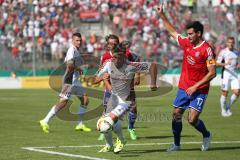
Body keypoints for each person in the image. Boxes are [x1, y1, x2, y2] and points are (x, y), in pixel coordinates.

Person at [157, 4, 216, 151]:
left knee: (192, 120)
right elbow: (172, 32)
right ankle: (176, 145)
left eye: (190, 34)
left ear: (198, 33)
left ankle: (207, 135)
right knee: (176, 115)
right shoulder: (186, 44)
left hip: (200, 89)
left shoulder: (207, 50)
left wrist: (196, 86)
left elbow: (212, 73)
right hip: (184, 87)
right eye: (187, 34)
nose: (187, 36)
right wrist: (162, 15)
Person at [95, 43, 158, 153]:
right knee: (103, 126)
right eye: (113, 56)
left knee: (107, 122)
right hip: (113, 98)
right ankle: (110, 145)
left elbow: (152, 65)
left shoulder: (131, 66)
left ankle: (120, 140)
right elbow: (95, 79)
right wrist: (102, 78)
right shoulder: (108, 64)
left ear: (124, 56)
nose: (115, 59)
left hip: (125, 101)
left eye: (118, 57)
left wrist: (153, 83)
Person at [39, 32, 91, 133]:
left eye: (80, 40)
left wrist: (80, 69)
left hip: (75, 81)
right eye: (77, 40)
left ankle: (80, 124)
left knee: (85, 100)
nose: (79, 42)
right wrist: (79, 68)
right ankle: (45, 120)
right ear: (72, 40)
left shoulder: (76, 51)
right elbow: (69, 65)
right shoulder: (71, 50)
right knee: (63, 103)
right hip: (69, 80)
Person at [97, 35, 141, 141]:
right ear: (107, 44)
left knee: (133, 108)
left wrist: (137, 76)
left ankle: (131, 128)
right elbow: (99, 75)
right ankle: (106, 129)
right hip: (110, 88)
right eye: (110, 43)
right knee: (107, 110)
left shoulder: (127, 54)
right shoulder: (105, 57)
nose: (112, 45)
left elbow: (137, 63)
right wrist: (105, 80)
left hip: (127, 88)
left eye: (115, 43)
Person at [216, 37, 240, 117]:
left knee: (237, 92)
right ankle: (223, 111)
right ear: (227, 43)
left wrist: (238, 65)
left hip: (234, 74)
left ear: (234, 43)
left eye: (232, 42)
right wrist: (225, 64)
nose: (231, 44)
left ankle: (228, 107)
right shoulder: (223, 52)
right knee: (225, 93)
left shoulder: (236, 52)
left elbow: (237, 62)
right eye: (229, 42)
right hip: (226, 73)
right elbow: (216, 64)